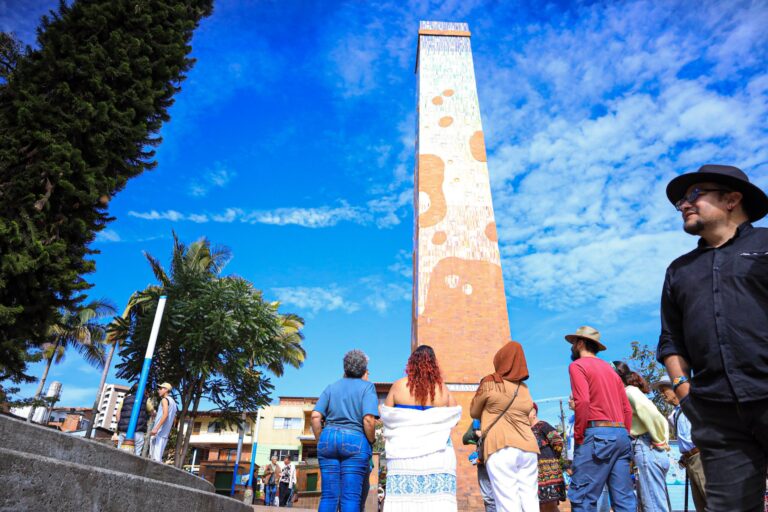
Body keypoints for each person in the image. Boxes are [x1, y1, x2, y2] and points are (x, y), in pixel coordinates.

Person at [657, 164, 768, 511]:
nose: (684, 204)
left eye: (694, 194)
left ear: (732, 199)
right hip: (717, 415)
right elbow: (670, 339)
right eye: (680, 201)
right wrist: (683, 391)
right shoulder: (679, 270)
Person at [380, 345, 461, 511]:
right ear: (434, 364)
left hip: (403, 453)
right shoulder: (442, 389)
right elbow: (455, 417)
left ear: (411, 363)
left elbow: (385, 414)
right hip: (438, 454)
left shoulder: (398, 386)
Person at [565, 326, 636, 512]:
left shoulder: (577, 366)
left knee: (582, 498)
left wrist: (579, 434)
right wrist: (624, 435)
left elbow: (583, 401)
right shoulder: (611, 371)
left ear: (580, 343)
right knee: (624, 500)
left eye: (573, 343)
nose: (572, 347)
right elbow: (627, 409)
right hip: (621, 434)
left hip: (597, 434)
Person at [470, 341, 539, 512]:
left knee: (507, 501)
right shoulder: (524, 388)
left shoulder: (490, 382)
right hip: (528, 448)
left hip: (500, 446)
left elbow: (474, 411)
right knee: (530, 500)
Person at [311, 350, 379, 512]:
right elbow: (368, 419)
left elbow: (315, 416)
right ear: (364, 369)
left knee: (328, 496)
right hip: (355, 441)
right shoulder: (367, 387)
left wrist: (321, 440)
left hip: (328, 438)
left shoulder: (332, 387)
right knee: (350, 497)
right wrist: (371, 440)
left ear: (345, 367)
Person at [613, 361, 670, 512]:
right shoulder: (627, 393)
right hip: (645, 447)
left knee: (653, 503)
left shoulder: (629, 391)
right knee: (651, 500)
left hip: (646, 446)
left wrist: (659, 439)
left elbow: (653, 414)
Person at [652, 375, 706, 512]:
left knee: (711, 498)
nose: (663, 394)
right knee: (700, 503)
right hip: (690, 460)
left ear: (675, 389)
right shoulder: (673, 415)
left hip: (701, 457)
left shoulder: (693, 406)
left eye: (664, 390)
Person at [564, 396, 610, 512]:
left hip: (590, 458)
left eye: (572, 398)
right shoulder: (571, 419)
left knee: (596, 489)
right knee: (581, 493)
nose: (569, 401)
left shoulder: (590, 416)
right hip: (576, 460)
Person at [529, 403, 565, 512]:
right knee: (541, 505)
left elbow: (557, 442)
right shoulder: (526, 430)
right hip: (536, 473)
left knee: (550, 505)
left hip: (549, 472)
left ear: (533, 412)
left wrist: (553, 460)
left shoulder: (543, 425)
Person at [462, 418, 496, 511]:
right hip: (483, 462)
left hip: (499, 461)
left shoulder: (502, 416)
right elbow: (465, 438)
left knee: (503, 494)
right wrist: (476, 433)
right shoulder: (479, 420)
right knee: (488, 498)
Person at [114, 383, 149, 456]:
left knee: (119, 451)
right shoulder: (146, 399)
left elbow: (117, 414)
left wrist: (121, 425)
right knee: (136, 453)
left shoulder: (125, 399)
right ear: (144, 389)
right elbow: (152, 412)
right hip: (138, 430)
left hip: (123, 430)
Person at [149, 382, 177, 463]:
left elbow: (165, 415)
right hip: (165, 433)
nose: (158, 390)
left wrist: (156, 428)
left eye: (160, 388)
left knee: (155, 459)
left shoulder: (164, 400)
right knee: (158, 458)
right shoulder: (173, 402)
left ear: (166, 390)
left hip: (159, 432)